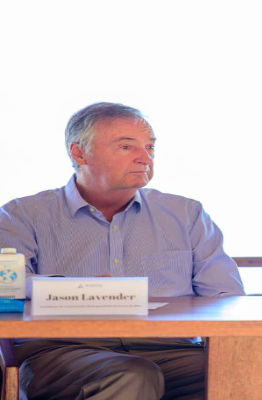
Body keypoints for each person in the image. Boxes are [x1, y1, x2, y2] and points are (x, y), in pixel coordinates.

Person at [0, 102, 246, 400]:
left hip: (172, 348)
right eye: (127, 147)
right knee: (134, 375)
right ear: (79, 153)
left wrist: (243, 358)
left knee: (239, 375)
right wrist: (76, 290)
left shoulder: (187, 214)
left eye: (150, 147)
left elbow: (226, 297)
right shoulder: (21, 215)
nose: (145, 158)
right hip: (63, 352)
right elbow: (7, 286)